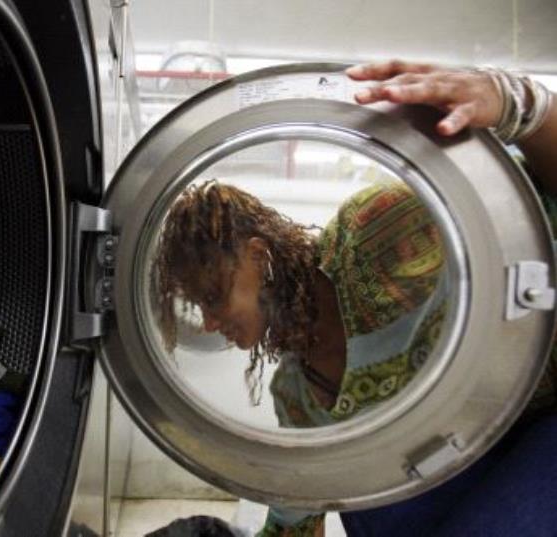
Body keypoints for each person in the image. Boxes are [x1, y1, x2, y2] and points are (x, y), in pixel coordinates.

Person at [154, 60, 557, 537]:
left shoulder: (374, 231)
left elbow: (529, 208)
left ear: (257, 257)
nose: (209, 321)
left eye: (213, 297)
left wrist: (523, 105)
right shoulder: (298, 396)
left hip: (546, 406)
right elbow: (297, 515)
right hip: (479, 445)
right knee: (364, 488)